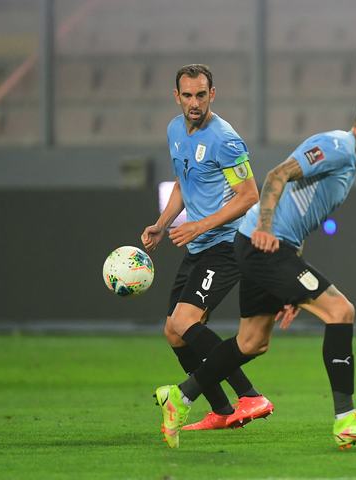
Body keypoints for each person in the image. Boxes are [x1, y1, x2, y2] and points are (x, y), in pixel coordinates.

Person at [153, 95, 356, 449]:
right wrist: (266, 228)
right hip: (264, 245)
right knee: (341, 310)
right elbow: (277, 174)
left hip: (267, 248)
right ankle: (346, 418)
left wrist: (287, 289)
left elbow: (297, 220)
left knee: (252, 342)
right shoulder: (336, 147)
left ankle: (180, 397)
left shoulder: (347, 165)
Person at [142, 64, 273, 438]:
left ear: (212, 94)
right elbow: (184, 183)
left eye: (201, 95)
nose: (194, 103)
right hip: (198, 245)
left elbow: (249, 196)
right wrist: (162, 223)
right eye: (187, 95)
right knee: (174, 332)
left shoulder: (224, 140)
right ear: (177, 97)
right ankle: (221, 409)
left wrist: (199, 225)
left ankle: (250, 396)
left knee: (185, 321)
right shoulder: (175, 130)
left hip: (227, 244)